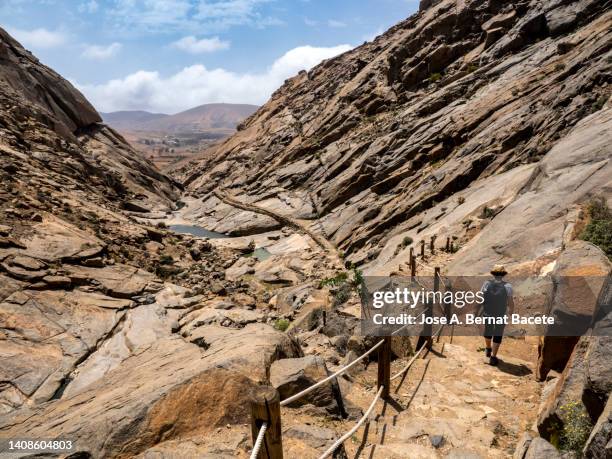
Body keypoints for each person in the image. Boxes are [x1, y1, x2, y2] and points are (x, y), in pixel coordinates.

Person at [479, 264, 514, 366]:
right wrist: (511, 312)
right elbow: (510, 302)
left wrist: (476, 311)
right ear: (503, 275)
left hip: (487, 312)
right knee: (498, 334)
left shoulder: (486, 284)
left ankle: (488, 348)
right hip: (501, 314)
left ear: (493, 274)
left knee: (488, 331)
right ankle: (493, 357)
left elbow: (480, 298)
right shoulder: (508, 286)